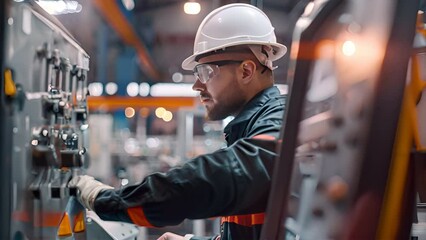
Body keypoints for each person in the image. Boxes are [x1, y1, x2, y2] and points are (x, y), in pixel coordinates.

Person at [69, 3, 287, 240]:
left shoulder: (280, 125)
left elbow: (207, 181)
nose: (196, 85)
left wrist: (106, 201)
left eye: (205, 72)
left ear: (246, 71)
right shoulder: (250, 129)